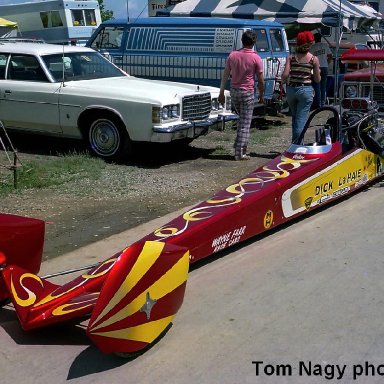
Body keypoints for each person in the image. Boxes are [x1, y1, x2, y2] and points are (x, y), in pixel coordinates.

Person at [218, 30, 265, 161]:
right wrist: (261, 94)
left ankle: (239, 146)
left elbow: (226, 74)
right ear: (254, 42)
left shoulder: (233, 55)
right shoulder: (256, 58)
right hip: (247, 92)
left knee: (241, 120)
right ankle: (240, 152)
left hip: (234, 91)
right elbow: (261, 79)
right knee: (245, 123)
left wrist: (221, 92)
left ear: (242, 41)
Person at [281, 31, 321, 143]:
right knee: (301, 120)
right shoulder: (314, 59)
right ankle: (297, 146)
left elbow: (285, 74)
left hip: (291, 90)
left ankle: (295, 144)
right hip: (305, 90)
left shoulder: (291, 57)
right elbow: (317, 80)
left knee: (295, 118)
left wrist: (282, 83)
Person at [310, 33, 332, 108]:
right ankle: (323, 102)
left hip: (317, 68)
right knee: (323, 86)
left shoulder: (313, 47)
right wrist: (327, 62)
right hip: (325, 67)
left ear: (314, 39)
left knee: (317, 86)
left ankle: (318, 103)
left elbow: (310, 58)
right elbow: (330, 56)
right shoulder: (325, 45)